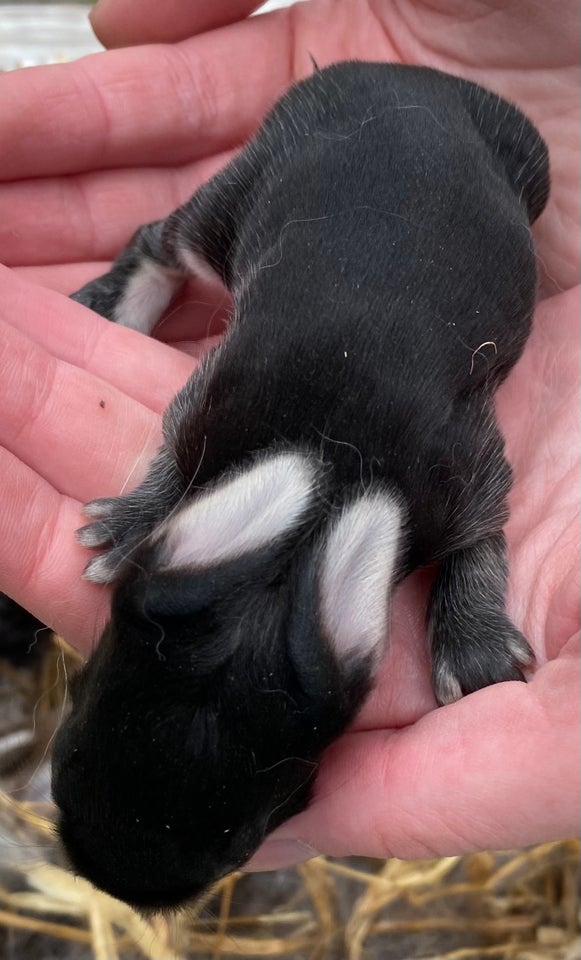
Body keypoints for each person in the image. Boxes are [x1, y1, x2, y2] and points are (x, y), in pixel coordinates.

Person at [0, 0, 578, 869]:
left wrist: (467, 616)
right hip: (379, 134)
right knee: (214, 241)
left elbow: (481, 507)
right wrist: (155, 504)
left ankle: (153, 262)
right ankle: (151, 263)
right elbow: (473, 501)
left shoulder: (407, 478)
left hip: (414, 138)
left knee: (206, 237)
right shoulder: (361, 462)